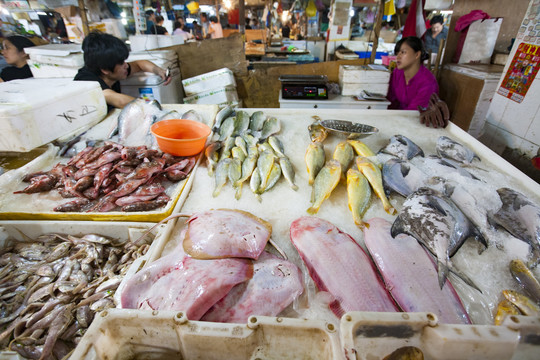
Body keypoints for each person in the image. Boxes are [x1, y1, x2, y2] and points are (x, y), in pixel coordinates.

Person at [74, 32, 171, 111]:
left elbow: (140, 64)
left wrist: (159, 71)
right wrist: (156, 108)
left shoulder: (111, 70)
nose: (126, 65)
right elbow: (119, 100)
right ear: (105, 69)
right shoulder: (86, 81)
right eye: (121, 63)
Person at [387, 36, 449, 128]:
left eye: (403, 52)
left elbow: (414, 113)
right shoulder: (397, 73)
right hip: (396, 119)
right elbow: (391, 101)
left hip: (416, 124)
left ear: (417, 55)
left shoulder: (427, 83)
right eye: (397, 53)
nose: (398, 57)